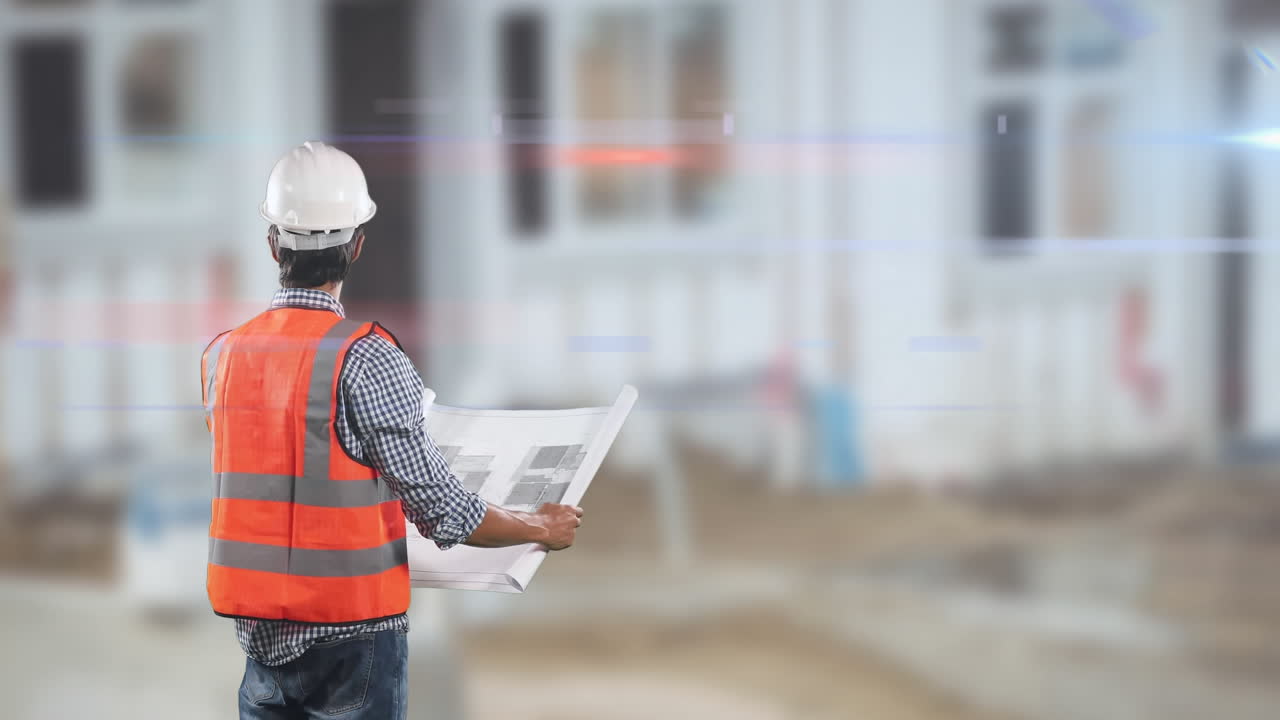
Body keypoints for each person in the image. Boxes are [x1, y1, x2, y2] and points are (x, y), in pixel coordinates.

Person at [202, 141, 583, 719]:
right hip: (352, 649)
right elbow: (445, 510)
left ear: (273, 243)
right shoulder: (366, 358)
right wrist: (540, 526)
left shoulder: (221, 357)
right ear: (357, 245)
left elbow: (283, 470)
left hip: (260, 649)